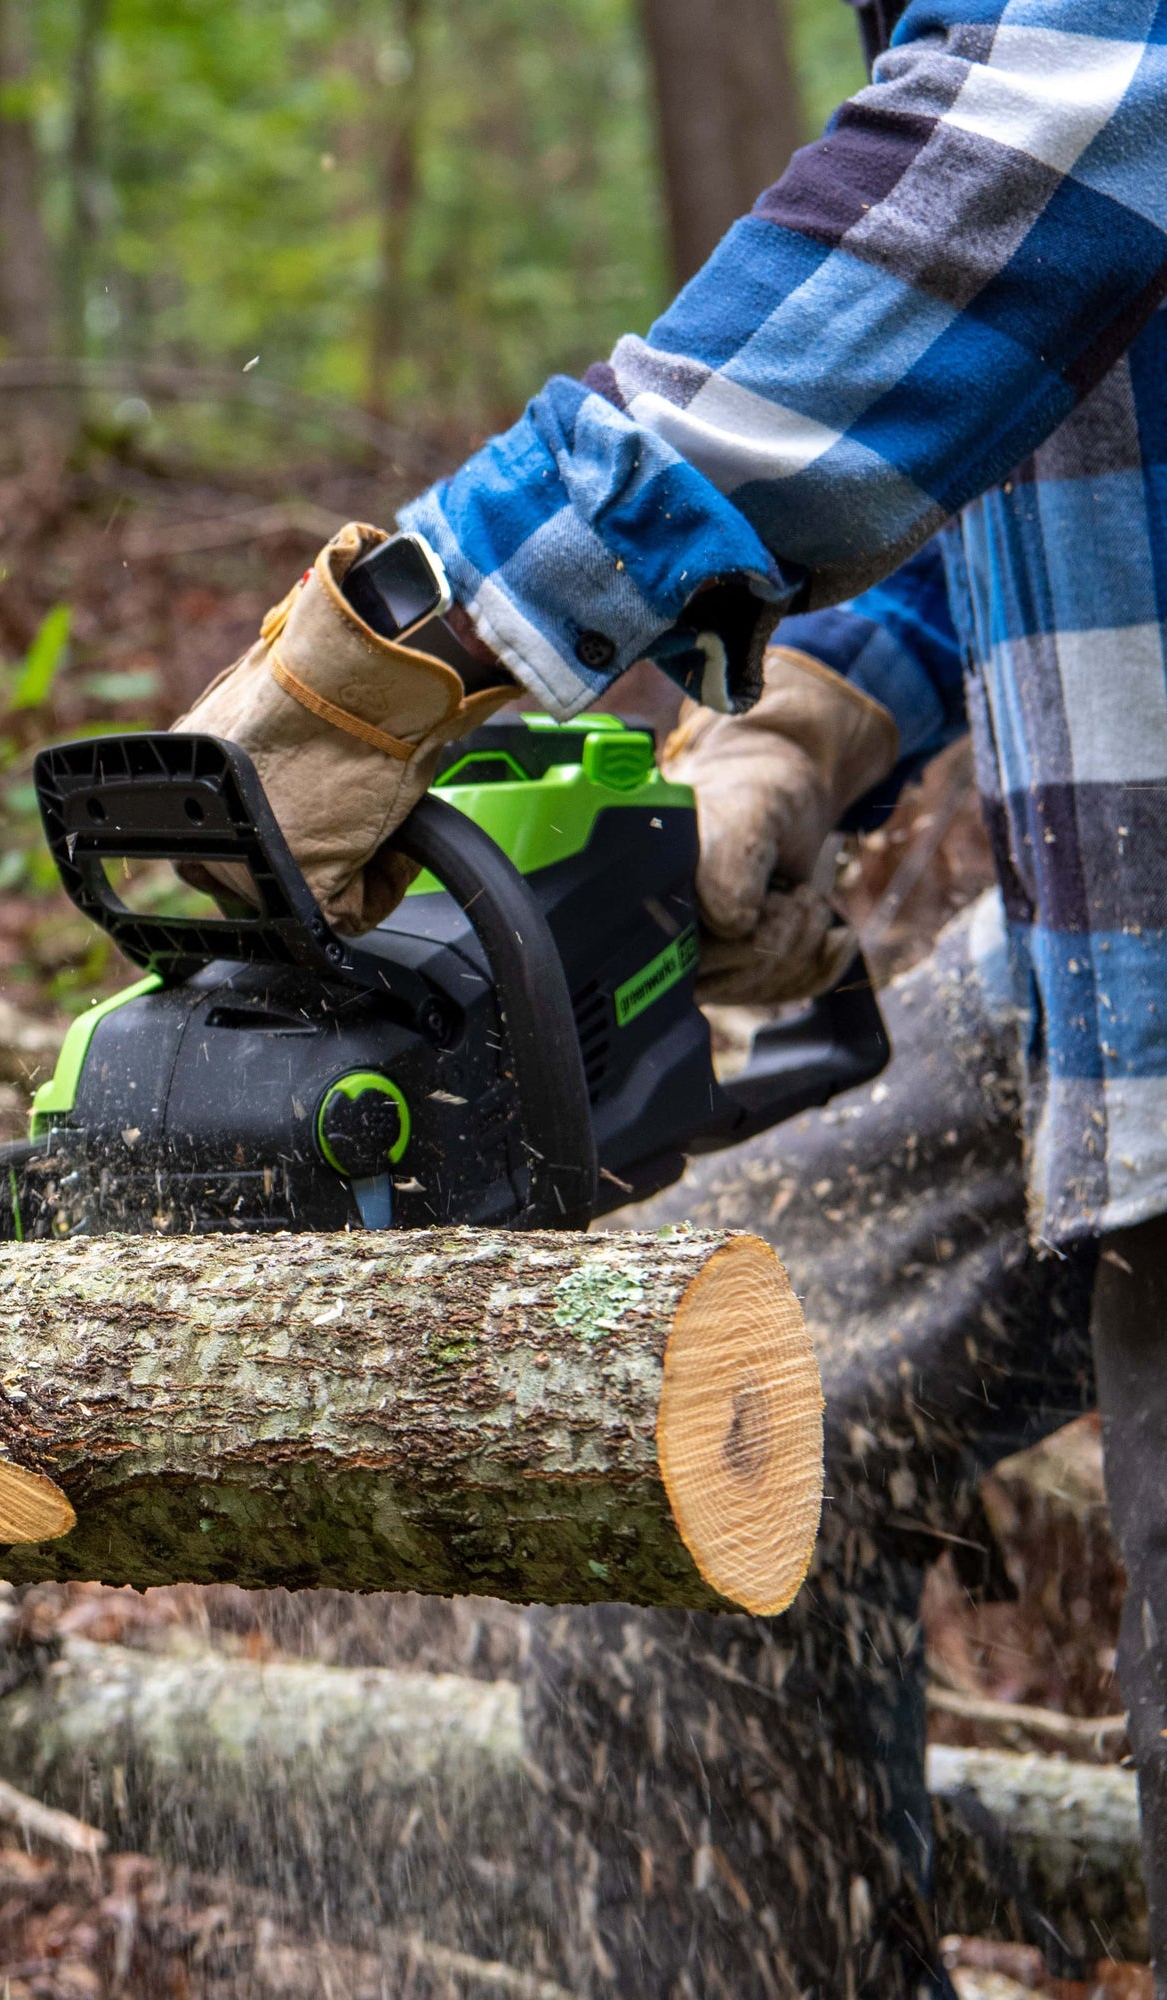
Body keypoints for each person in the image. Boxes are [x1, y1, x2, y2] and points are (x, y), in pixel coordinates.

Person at [175, 0, 1167, 1985]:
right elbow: (1053, 375)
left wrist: (417, 633)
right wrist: (805, 715)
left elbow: (1060, 140)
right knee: (660, 1436)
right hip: (1096, 975)